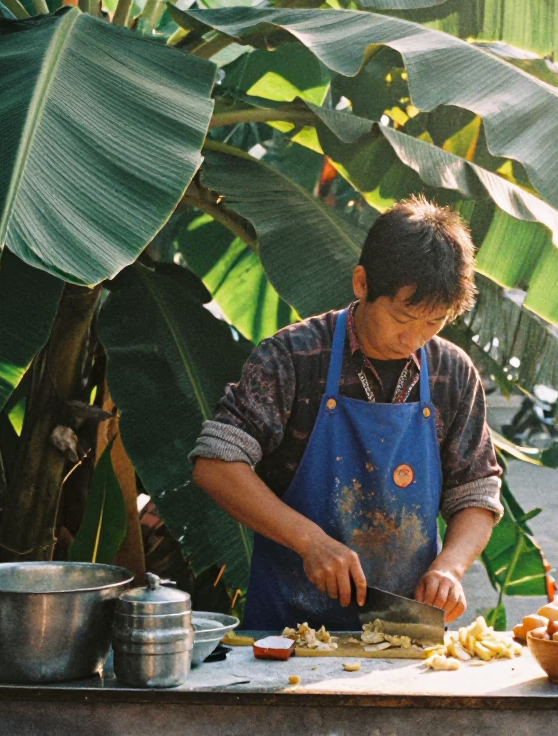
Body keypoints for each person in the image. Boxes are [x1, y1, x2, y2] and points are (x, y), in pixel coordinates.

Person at [190, 197, 502, 630]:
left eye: (434, 322)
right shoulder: (295, 356)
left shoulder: (452, 372)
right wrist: (310, 542)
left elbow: (476, 493)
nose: (414, 338)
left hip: (403, 630)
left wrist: (450, 567)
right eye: (402, 317)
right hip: (288, 631)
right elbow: (215, 465)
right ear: (361, 283)